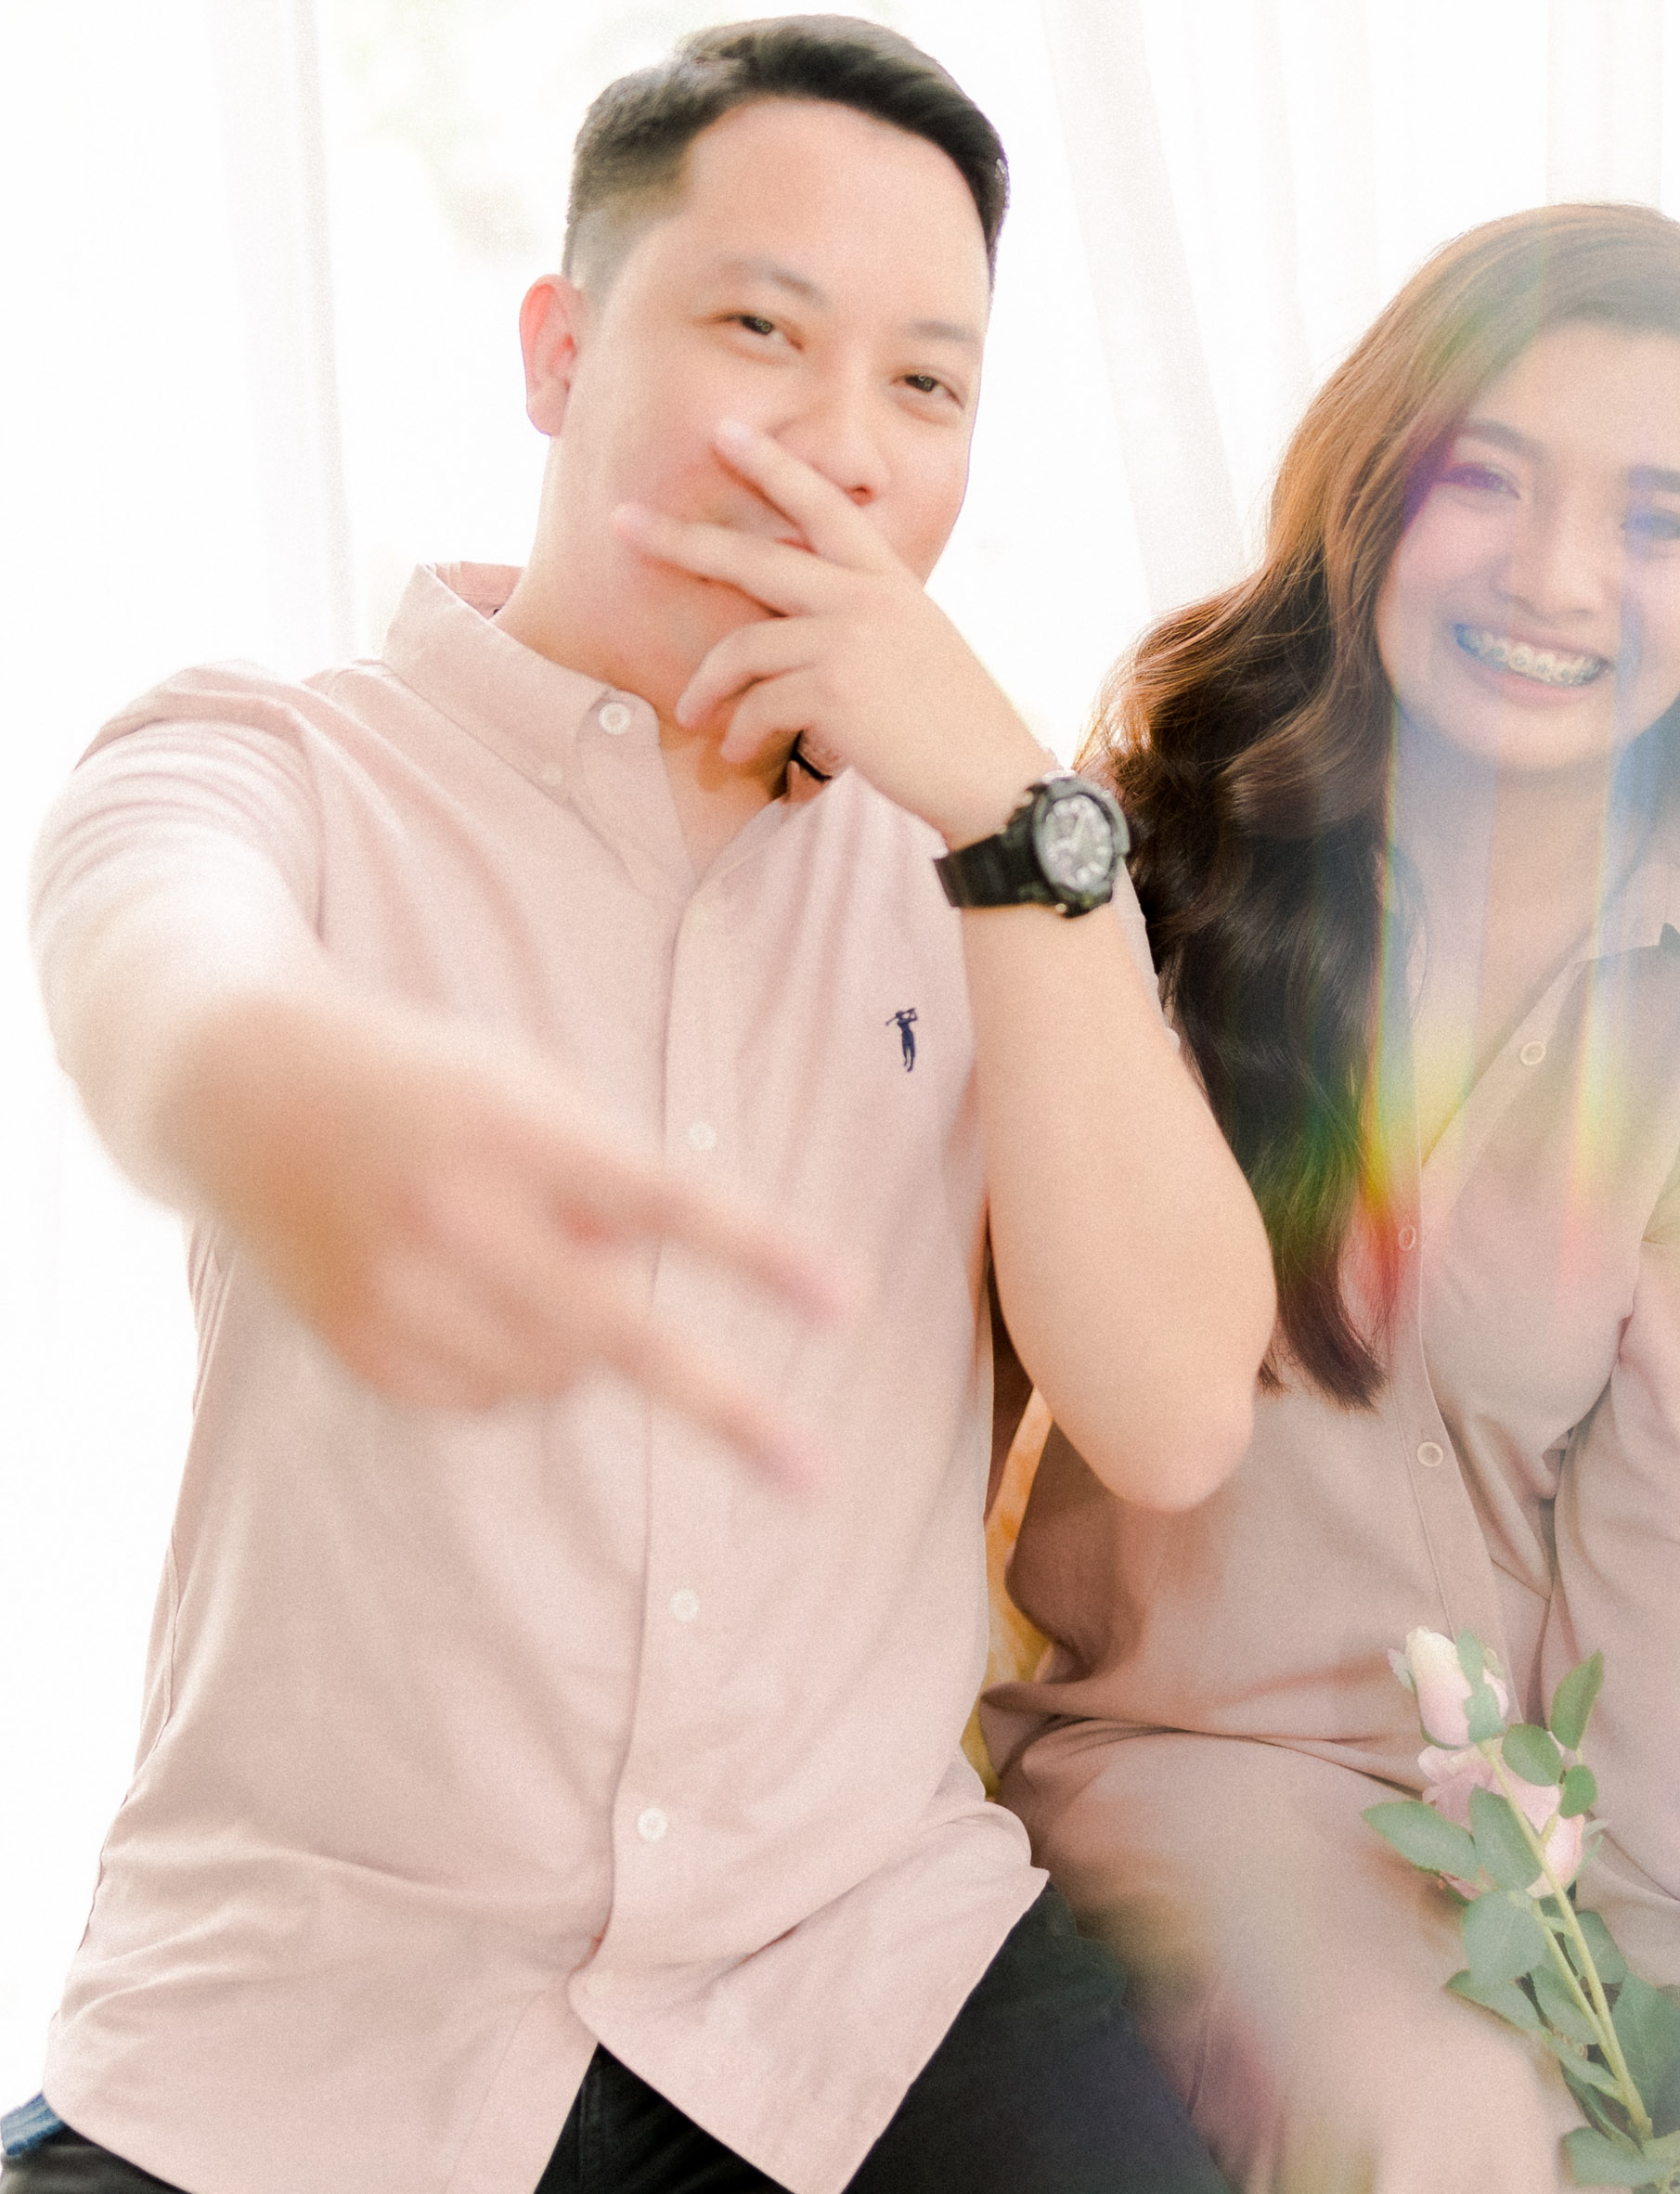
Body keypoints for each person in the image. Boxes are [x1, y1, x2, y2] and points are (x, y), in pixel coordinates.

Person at [3, 19, 1273, 2194]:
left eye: (925, 385)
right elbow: (154, 967)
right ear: (560, 349)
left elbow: (1166, 1415)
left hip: (855, 1984)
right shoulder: (278, 765)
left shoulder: (992, 878)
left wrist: (1015, 825)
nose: (837, 448)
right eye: (760, 331)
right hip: (311, 2027)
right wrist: (288, 1095)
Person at [985, 202, 1680, 2192]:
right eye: (1486, 479)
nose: (1557, 575)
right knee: (1445, 2127)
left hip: (1523, 1840)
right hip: (1190, 1761)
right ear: (1372, 500)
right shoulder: (1146, 874)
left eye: (1657, 521)